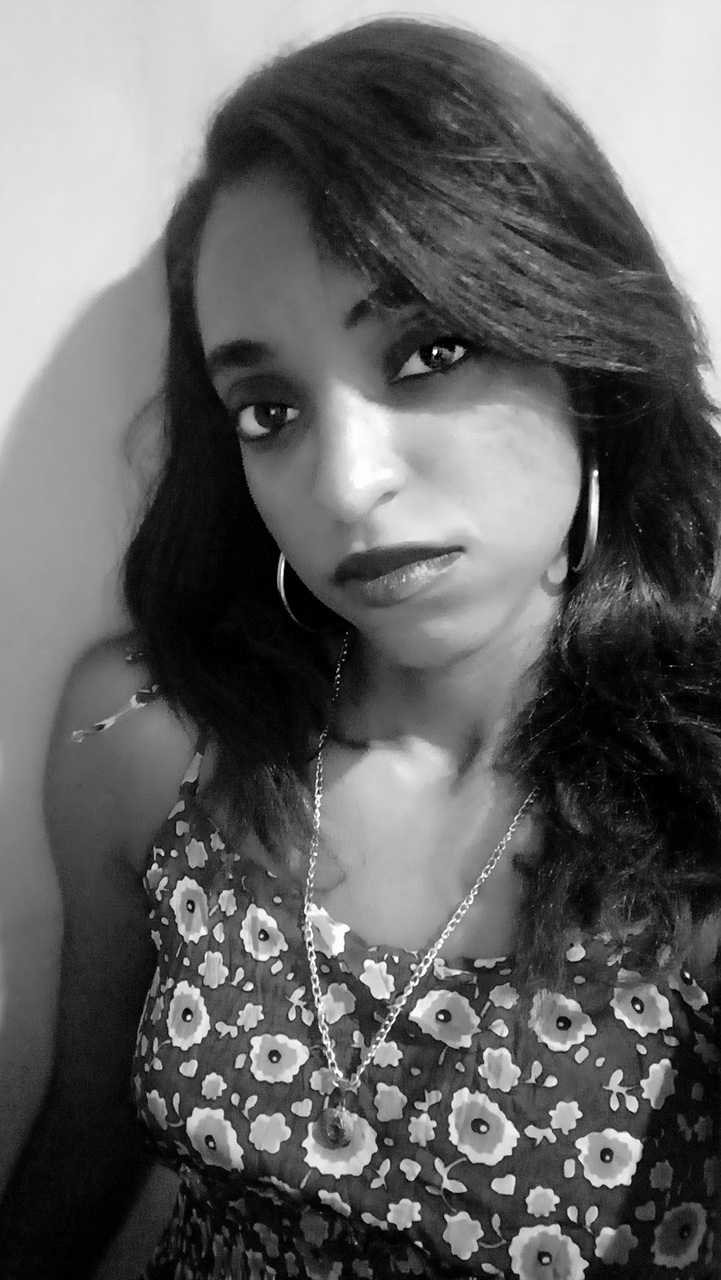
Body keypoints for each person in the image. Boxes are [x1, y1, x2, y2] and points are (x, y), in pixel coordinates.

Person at [2, 14, 721, 1279]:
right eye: (268, 407)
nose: (344, 483)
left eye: (429, 351)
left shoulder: (697, 810)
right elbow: (84, 1136)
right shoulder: (144, 738)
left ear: (584, 360)